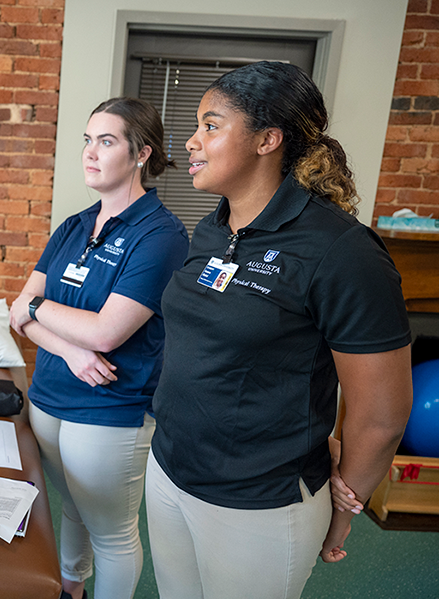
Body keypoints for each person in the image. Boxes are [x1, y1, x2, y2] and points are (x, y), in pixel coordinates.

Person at [146, 61, 412, 599]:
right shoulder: (212, 227)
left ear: (268, 139)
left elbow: (381, 415)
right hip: (170, 470)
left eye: (211, 126)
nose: (192, 142)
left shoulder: (342, 252)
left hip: (259, 500)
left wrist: (345, 507)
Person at [10, 97, 189, 599]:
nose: (90, 152)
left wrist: (40, 310)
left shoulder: (161, 235)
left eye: (106, 142)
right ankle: (71, 590)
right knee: (72, 507)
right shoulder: (73, 225)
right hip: (49, 396)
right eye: (87, 140)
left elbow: (106, 333)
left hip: (111, 407)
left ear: (141, 154)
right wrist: (68, 351)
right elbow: (14, 312)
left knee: (112, 533)